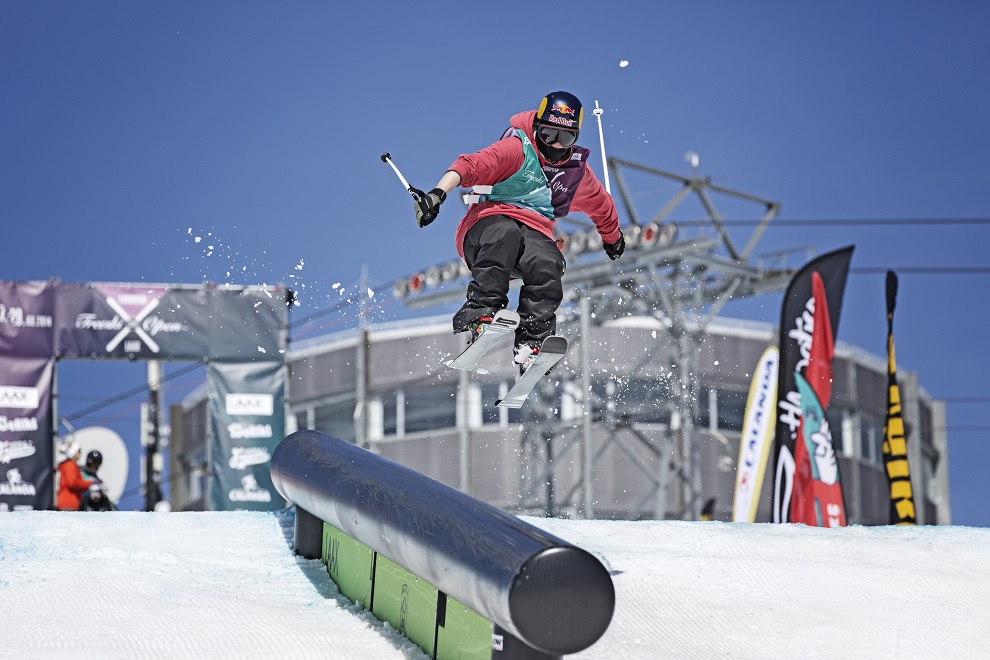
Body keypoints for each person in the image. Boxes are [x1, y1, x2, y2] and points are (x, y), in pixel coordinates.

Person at [413, 90, 625, 375]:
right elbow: (470, 165)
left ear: (575, 138)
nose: (555, 145)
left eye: (565, 138)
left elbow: (602, 205)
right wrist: (438, 193)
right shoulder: (517, 149)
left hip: (534, 233)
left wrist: (613, 238)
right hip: (487, 226)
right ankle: (481, 310)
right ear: (537, 126)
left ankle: (531, 344)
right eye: (549, 134)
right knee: (506, 233)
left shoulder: (574, 174)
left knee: (549, 261)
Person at [56, 440, 94, 511]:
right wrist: (90, 483)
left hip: (69, 503)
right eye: (78, 452)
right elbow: (73, 483)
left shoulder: (68, 465)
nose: (79, 455)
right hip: (68, 503)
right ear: (73, 453)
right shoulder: (70, 465)